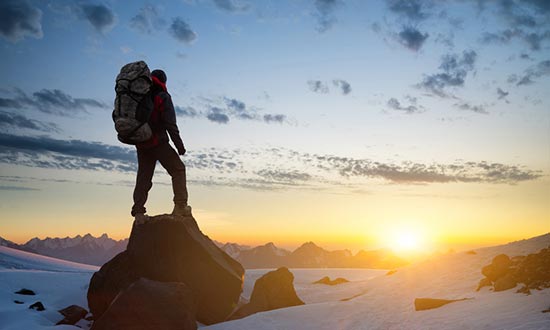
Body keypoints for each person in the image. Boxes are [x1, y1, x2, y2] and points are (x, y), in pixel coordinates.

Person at [131, 69, 190, 222]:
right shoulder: (162, 96)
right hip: (158, 142)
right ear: (163, 81)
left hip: (141, 144)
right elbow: (170, 124)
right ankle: (180, 206)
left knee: (143, 177)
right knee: (178, 169)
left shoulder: (139, 95)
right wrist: (179, 146)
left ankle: (138, 212)